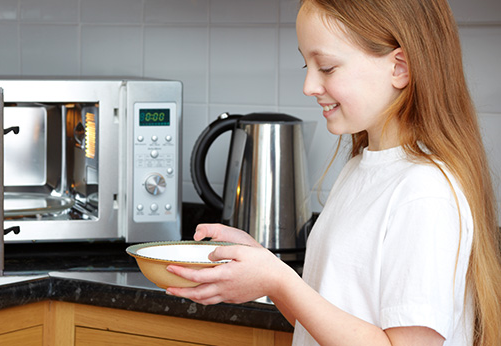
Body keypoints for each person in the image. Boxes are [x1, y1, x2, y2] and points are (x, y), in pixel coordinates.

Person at [165, 0, 501, 345]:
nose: (309, 85)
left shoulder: (424, 192)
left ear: (399, 68)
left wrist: (280, 279)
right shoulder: (361, 168)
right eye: (306, 65)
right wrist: (266, 270)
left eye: (326, 67)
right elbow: (325, 319)